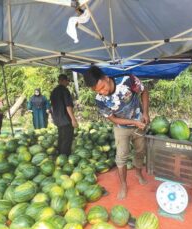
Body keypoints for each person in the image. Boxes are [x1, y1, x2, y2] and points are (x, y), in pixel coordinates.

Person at [83, 66, 149, 200]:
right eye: (98, 91)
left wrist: (146, 113)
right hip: (121, 128)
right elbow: (113, 119)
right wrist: (133, 123)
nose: (102, 92)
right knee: (121, 156)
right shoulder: (100, 100)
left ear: (106, 78)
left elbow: (144, 91)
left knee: (140, 151)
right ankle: (123, 185)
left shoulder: (127, 80)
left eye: (102, 87)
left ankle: (138, 173)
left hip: (139, 123)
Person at [50, 74, 78, 156]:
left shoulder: (54, 91)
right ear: (63, 80)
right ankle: (64, 158)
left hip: (58, 119)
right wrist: (73, 119)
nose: (68, 82)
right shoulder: (65, 91)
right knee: (67, 139)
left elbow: (52, 106)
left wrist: (53, 118)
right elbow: (68, 106)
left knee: (61, 138)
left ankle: (59, 156)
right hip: (66, 119)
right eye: (67, 81)